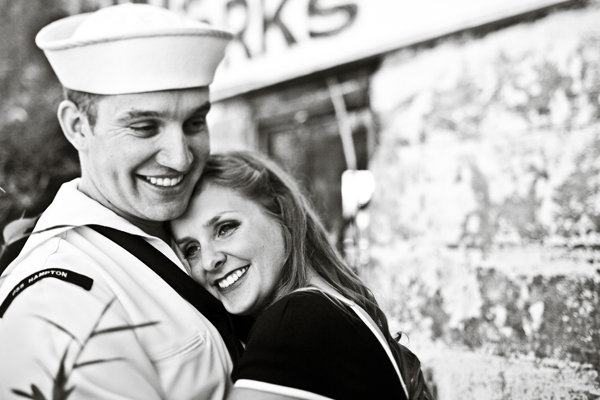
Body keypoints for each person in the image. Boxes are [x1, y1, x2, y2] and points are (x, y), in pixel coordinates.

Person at [0, 4, 237, 399]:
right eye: (144, 127)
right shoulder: (57, 303)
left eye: (195, 123)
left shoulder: (188, 223)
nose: (180, 158)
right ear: (77, 126)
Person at [171, 151, 435, 400]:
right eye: (191, 249)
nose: (208, 261)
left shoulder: (296, 319)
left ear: (281, 213)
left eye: (225, 228)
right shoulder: (334, 307)